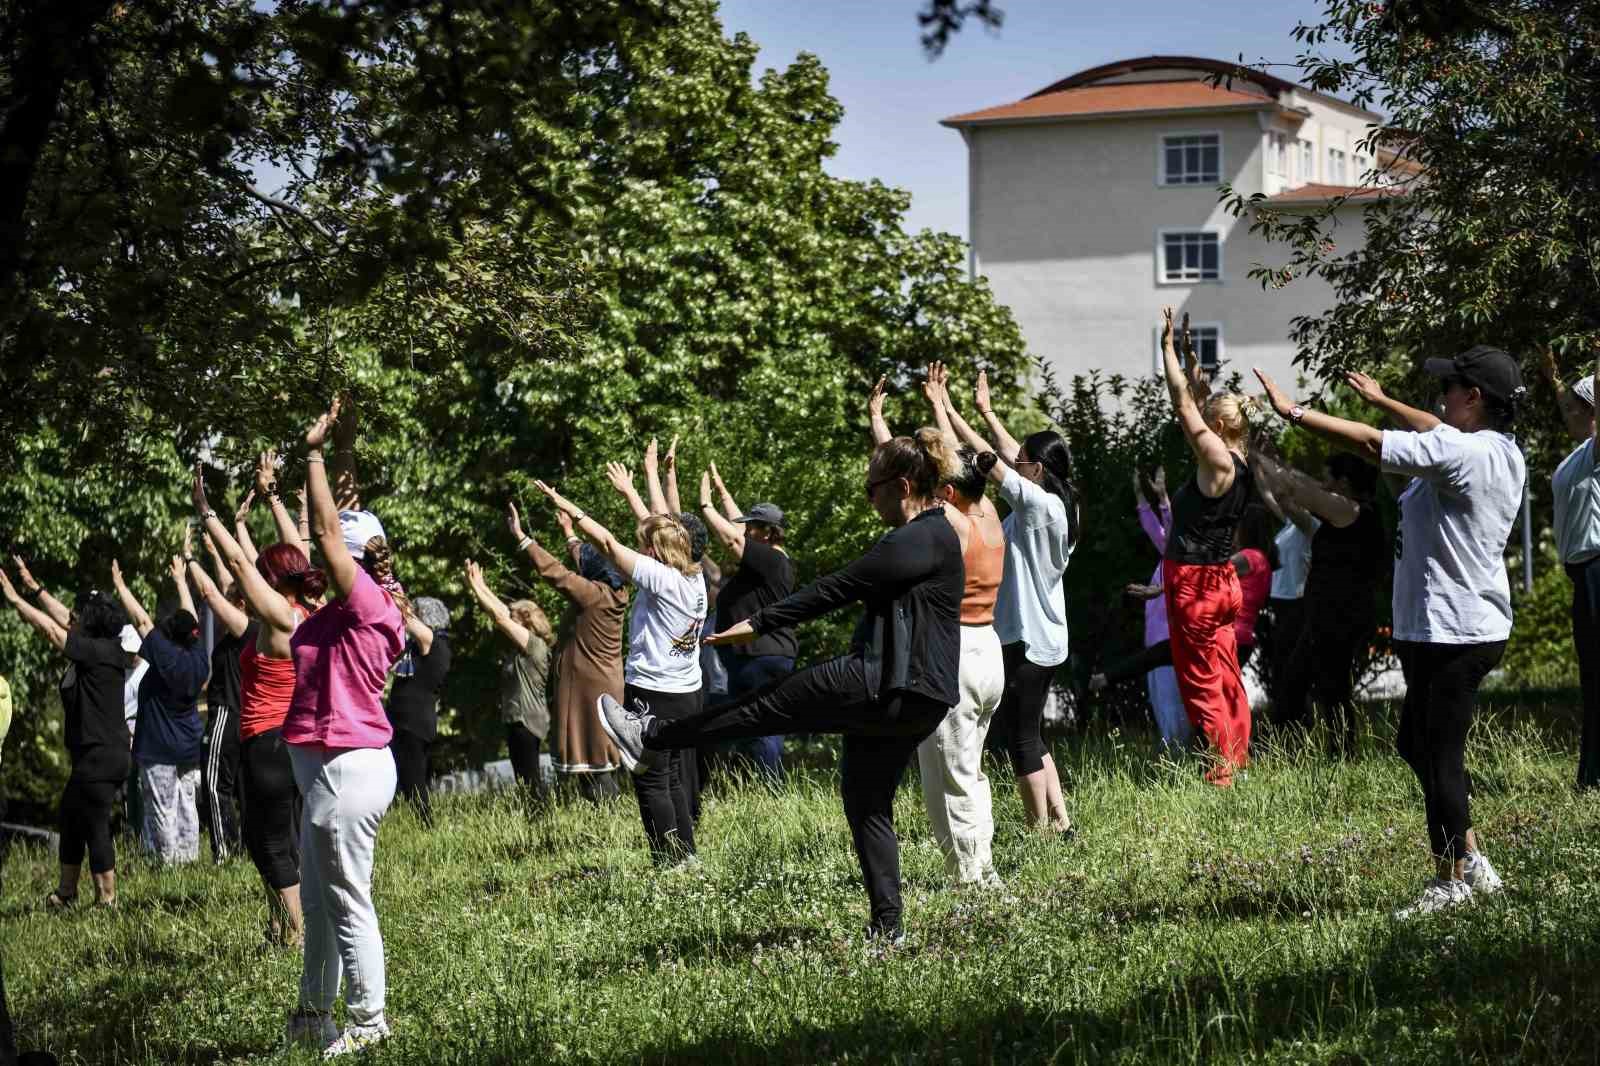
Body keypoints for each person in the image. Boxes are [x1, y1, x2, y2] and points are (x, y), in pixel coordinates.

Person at [596, 428, 964, 941]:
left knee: (761, 706)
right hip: (921, 696)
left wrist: (756, 623)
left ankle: (652, 737)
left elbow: (834, 589)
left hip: (882, 681)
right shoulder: (936, 532)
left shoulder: (919, 536)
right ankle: (889, 930)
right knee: (866, 801)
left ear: (902, 487)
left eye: (871, 489)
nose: (869, 498)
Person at [1255, 346, 1525, 917]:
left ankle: (1455, 877)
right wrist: (1384, 399)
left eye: (1450, 386)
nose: (1441, 397)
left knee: (1438, 752)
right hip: (1450, 626)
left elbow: (1372, 444)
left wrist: (1295, 413)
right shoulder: (1497, 449)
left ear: (1473, 399)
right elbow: (1432, 428)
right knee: (1415, 744)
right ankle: (1469, 859)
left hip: (1453, 630)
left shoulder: (1464, 453)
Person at [275, 397, 406, 1055]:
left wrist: (317, 454)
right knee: (323, 905)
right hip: (323, 772)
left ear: (351, 559)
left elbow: (326, 534)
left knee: (348, 901)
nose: (318, 557)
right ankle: (310, 1015)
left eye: (332, 554)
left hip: (347, 767)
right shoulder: (336, 611)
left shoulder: (370, 607)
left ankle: (368, 1022)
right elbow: (313, 537)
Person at [538, 472, 705, 867]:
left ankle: (670, 863)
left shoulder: (661, 579)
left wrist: (571, 510)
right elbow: (663, 525)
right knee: (674, 776)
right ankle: (687, 856)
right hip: (687, 693)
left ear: (655, 552)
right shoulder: (693, 579)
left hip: (655, 693)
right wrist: (634, 489)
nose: (638, 549)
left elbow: (610, 544)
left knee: (650, 778)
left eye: (644, 546)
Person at [942, 368, 1077, 830]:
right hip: (1045, 637)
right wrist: (986, 411)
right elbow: (1006, 453)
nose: (1013, 462)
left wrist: (948, 410)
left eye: (1022, 461)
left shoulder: (1039, 507)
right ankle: (1059, 819)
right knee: (1031, 733)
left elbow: (988, 458)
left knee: (1020, 738)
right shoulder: (1060, 505)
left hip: (1028, 640)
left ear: (1036, 471)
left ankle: (1038, 829)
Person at [190, 484, 324, 948]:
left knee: (267, 845)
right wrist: (278, 506)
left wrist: (208, 514)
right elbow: (297, 558)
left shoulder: (280, 620)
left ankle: (295, 933)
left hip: (264, 743)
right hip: (296, 743)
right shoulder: (311, 615)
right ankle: (284, 924)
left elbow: (239, 565)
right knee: (289, 840)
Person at [907, 363, 1008, 887]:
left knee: (955, 773)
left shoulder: (952, 525)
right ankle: (973, 868)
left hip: (958, 655)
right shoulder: (987, 515)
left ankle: (975, 878)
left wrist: (930, 416)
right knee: (967, 767)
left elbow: (929, 480)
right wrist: (940, 406)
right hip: (988, 650)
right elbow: (960, 471)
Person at [1146, 309, 1257, 787]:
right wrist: (1193, 360)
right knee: (1227, 674)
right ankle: (1238, 757)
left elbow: (1183, 405)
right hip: (1221, 582)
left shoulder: (1213, 458)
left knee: (1199, 679)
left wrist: (1166, 348)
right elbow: (1199, 399)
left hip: (1195, 583)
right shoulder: (1240, 458)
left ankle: (1221, 771)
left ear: (1216, 424)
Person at [0, 570, 129, 908]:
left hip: (100, 755)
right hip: (98, 754)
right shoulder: (106, 647)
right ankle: (67, 893)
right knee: (71, 813)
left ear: (90, 621)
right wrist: (35, 586)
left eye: (80, 614)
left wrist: (15, 600)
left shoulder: (94, 651)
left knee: (95, 822)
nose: (74, 617)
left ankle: (107, 899)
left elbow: (52, 629)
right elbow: (64, 618)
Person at [1254, 452, 1386, 755]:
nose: (1324, 486)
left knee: (1320, 688)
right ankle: (1329, 752)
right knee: (1321, 688)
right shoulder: (1343, 518)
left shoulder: (1353, 512)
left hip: (1338, 618)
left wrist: (1262, 458)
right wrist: (1263, 462)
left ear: (1344, 483)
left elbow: (1302, 490)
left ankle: (1330, 753)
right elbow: (1294, 498)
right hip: (1324, 617)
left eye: (1329, 479)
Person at [510, 503, 624, 801]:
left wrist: (522, 537)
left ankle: (609, 821)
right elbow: (583, 562)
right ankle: (608, 819)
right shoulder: (614, 591)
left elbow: (557, 573)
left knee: (595, 764)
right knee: (595, 760)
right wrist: (569, 532)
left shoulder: (593, 595)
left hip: (588, 688)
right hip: (604, 683)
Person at [697, 463, 797, 781]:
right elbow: (740, 531)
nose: (746, 532)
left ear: (767, 533)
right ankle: (759, 786)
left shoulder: (772, 560)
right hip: (756, 656)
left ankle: (772, 789)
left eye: (752, 528)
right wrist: (724, 492)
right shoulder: (769, 561)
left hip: (761, 655)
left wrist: (706, 506)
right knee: (757, 727)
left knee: (763, 727)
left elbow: (733, 541)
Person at [111, 557, 208, 865]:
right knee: (187, 805)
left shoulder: (167, 658)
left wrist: (121, 586)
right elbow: (190, 619)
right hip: (189, 745)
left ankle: (167, 865)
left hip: (161, 748)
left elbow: (141, 621)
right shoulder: (198, 656)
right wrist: (181, 581)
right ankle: (189, 859)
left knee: (162, 807)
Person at [1541, 348, 1600, 789]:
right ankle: (1592, 773)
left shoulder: (1596, 453)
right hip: (1584, 574)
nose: (1569, 410)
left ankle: (1593, 777)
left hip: (1598, 568)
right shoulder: (1580, 452)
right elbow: (1569, 406)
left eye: (1577, 404)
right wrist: (1554, 375)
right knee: (1592, 676)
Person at [464, 548, 554, 797]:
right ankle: (535, 820)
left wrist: (476, 588)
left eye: (515, 614)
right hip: (517, 719)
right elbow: (503, 613)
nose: (509, 616)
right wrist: (481, 585)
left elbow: (500, 618)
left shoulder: (534, 644)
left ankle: (541, 821)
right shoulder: (521, 646)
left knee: (531, 781)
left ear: (525, 619)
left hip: (528, 720)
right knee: (524, 781)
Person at [386, 597, 453, 825]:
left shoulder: (434, 644)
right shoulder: (418, 648)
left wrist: (391, 596)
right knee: (408, 779)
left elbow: (409, 620)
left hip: (412, 722)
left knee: (413, 781)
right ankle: (420, 824)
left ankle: (426, 826)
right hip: (408, 722)